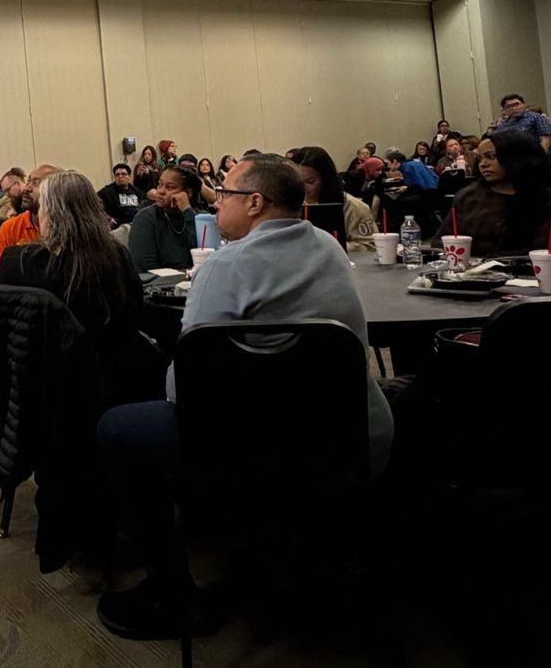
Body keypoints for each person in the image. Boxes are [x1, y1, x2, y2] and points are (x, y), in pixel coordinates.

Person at [95, 154, 393, 640]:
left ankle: (172, 592)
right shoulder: (330, 248)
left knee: (117, 427)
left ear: (254, 203)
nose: (216, 203)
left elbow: (182, 393)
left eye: (225, 195)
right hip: (349, 441)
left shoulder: (225, 266)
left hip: (251, 456)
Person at [0, 170, 144, 396]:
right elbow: (132, 319)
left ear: (51, 215)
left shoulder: (17, 263)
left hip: (35, 386)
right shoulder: (117, 258)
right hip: (109, 384)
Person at [437, 131, 551, 257]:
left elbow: (543, 250)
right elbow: (440, 242)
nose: (483, 164)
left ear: (517, 157)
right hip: (469, 271)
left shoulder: (544, 200)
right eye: (480, 159)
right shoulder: (468, 197)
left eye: (491, 157)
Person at [292, 144, 377, 253]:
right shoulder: (291, 205)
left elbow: (370, 246)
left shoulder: (353, 206)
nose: (303, 188)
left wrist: (325, 247)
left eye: (310, 182)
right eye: (298, 182)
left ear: (326, 179)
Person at [0, 164, 60, 274]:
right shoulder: (10, 228)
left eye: (36, 183)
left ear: (58, 190)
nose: (26, 188)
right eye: (29, 181)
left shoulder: (73, 227)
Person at [128, 165, 201, 270]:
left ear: (188, 193)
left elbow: (205, 254)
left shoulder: (200, 217)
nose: (161, 191)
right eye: (160, 184)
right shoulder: (145, 218)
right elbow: (145, 269)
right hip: (161, 284)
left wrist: (187, 211)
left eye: (170, 187)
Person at [96, 162, 145, 227]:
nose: (120, 176)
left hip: (136, 226)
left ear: (129, 177)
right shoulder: (107, 192)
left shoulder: (137, 192)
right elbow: (93, 204)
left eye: (123, 174)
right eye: (117, 174)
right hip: (117, 228)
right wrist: (107, 218)